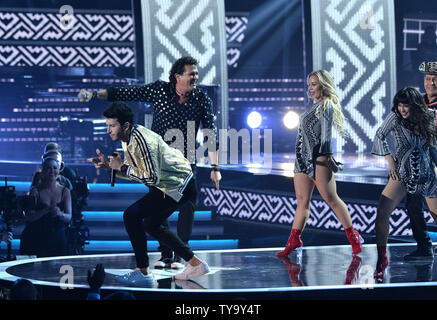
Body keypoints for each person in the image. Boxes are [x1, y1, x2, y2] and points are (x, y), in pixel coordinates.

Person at [78, 56, 220, 269]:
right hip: (156, 160)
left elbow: (210, 133)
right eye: (191, 74)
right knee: (157, 208)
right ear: (177, 76)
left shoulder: (201, 98)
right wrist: (94, 94)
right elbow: (127, 93)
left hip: (184, 162)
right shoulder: (159, 91)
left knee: (187, 205)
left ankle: (182, 255)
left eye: (196, 74)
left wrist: (214, 167)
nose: (196, 78)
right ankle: (165, 254)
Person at [88, 102, 210, 284]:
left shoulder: (142, 140)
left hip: (177, 184)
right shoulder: (128, 138)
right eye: (107, 126)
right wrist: (111, 168)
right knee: (152, 224)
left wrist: (122, 167)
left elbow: (151, 178)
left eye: (112, 126)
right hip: (169, 184)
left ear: (125, 125)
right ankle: (195, 264)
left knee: (131, 215)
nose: (108, 130)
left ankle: (143, 271)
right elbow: (138, 174)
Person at [276, 70, 362, 257]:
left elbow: (326, 135)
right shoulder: (313, 107)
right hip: (301, 159)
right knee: (302, 202)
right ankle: (293, 241)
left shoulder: (326, 105)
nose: (311, 88)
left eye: (314, 84)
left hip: (318, 159)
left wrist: (326, 157)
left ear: (324, 84)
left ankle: (353, 237)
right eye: (310, 84)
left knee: (332, 199)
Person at [372, 87, 437, 281]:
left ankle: (425, 249)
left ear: (414, 105)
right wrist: (389, 159)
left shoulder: (428, 117)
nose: (402, 109)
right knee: (383, 211)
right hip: (401, 172)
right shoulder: (395, 117)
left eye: (405, 105)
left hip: (425, 173)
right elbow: (379, 135)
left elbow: (433, 146)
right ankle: (382, 259)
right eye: (399, 105)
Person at [403, 61, 437, 260]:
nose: (431, 83)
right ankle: (424, 247)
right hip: (418, 162)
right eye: (428, 78)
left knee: (433, 208)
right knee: (413, 204)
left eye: (435, 79)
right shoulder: (418, 102)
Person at [19, 152, 72, 257]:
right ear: (43, 171)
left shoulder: (65, 191)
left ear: (58, 171)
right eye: (48, 168)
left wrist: (59, 214)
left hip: (58, 238)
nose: (52, 171)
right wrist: (45, 210)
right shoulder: (35, 191)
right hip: (37, 238)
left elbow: (69, 217)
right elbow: (30, 217)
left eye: (54, 168)